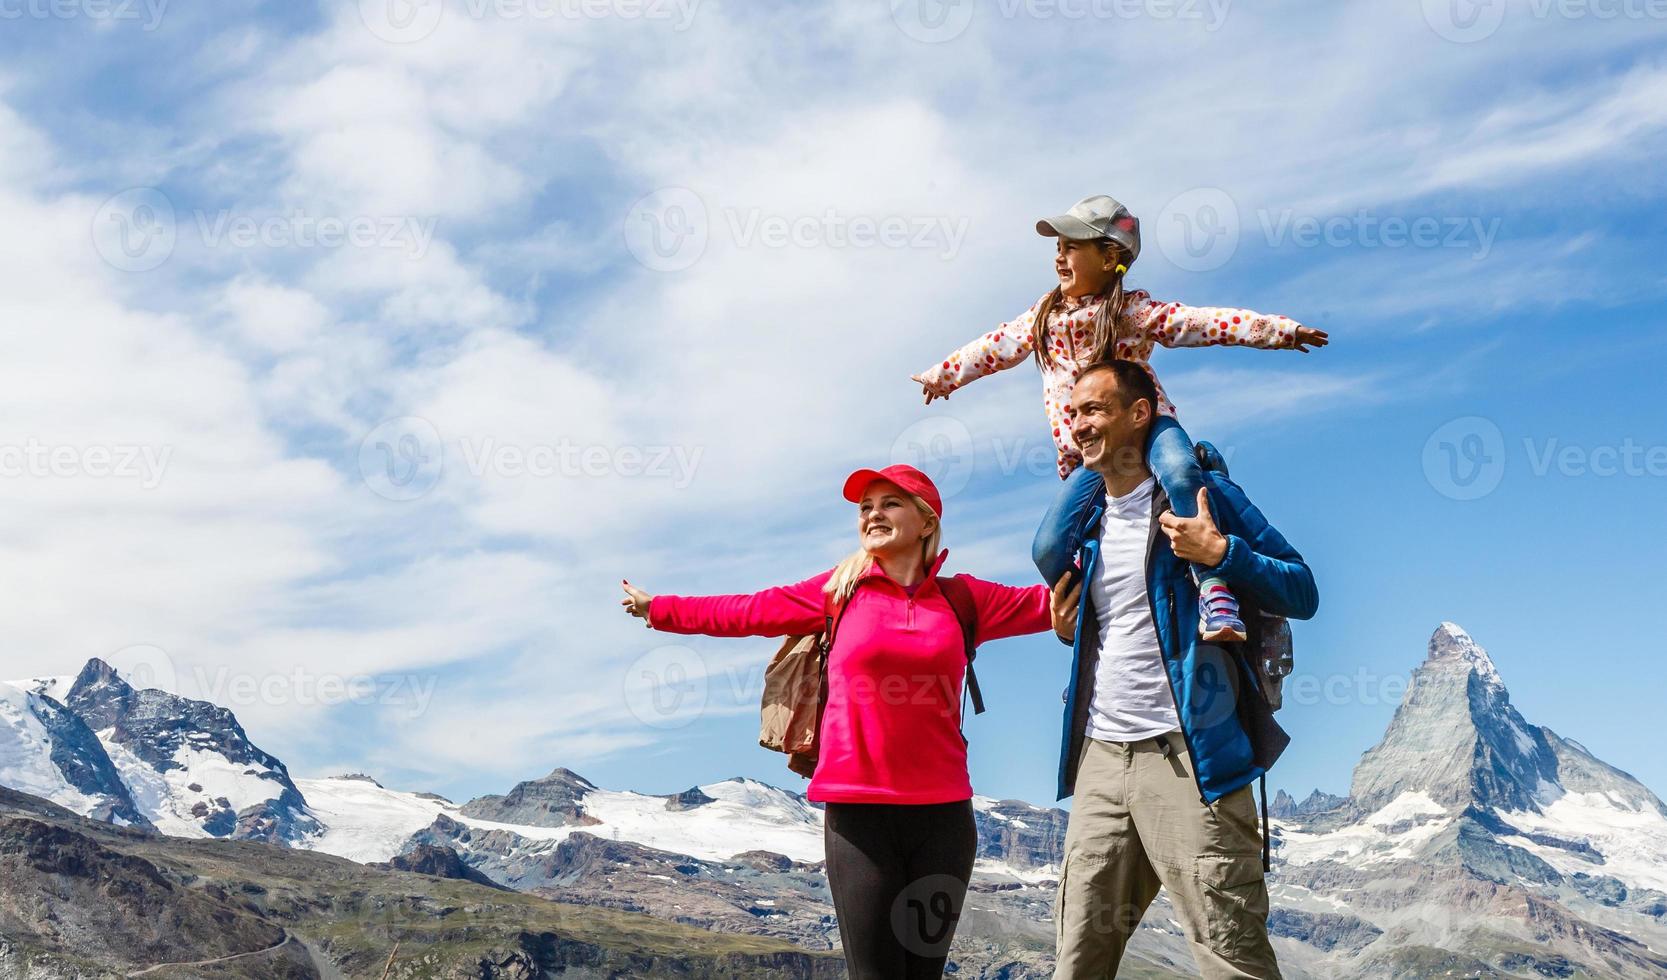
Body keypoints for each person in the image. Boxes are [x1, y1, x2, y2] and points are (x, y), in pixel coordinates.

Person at [620, 464, 1073, 980]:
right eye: (865, 508)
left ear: (926, 522)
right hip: (860, 818)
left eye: (889, 504)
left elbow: (1065, 596)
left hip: (945, 819)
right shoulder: (839, 592)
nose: (873, 514)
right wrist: (660, 608)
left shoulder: (963, 599)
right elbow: (745, 611)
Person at [911, 194, 1327, 643]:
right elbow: (993, 346)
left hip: (1150, 430)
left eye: (1071, 247)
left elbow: (1201, 323)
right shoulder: (1044, 317)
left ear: (1110, 257)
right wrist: (944, 376)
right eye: (1058, 248)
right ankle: (1089, 607)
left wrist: (1278, 331)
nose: (1059, 257)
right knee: (1048, 545)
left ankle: (1212, 587)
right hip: (1091, 454)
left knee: (1182, 471)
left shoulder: (1132, 311)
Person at [1042, 360, 1319, 979]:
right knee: (1077, 961)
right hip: (1102, 762)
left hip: (1193, 762)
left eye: (1094, 410)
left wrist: (1223, 553)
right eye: (1074, 411)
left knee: (1230, 960)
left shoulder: (1203, 498)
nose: (1079, 423)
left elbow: (1302, 589)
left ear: (1139, 414)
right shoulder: (1085, 526)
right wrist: (1071, 629)